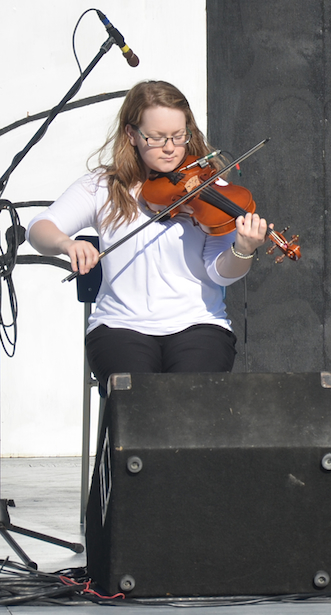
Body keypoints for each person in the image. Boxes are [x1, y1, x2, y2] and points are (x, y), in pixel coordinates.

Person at [27, 80, 269, 392]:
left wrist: (243, 249)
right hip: (119, 327)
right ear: (131, 135)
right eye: (156, 138)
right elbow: (40, 228)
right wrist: (66, 243)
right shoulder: (102, 187)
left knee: (193, 401)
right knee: (139, 405)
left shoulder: (210, 189)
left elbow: (219, 273)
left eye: (179, 136)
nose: (170, 147)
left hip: (198, 325)